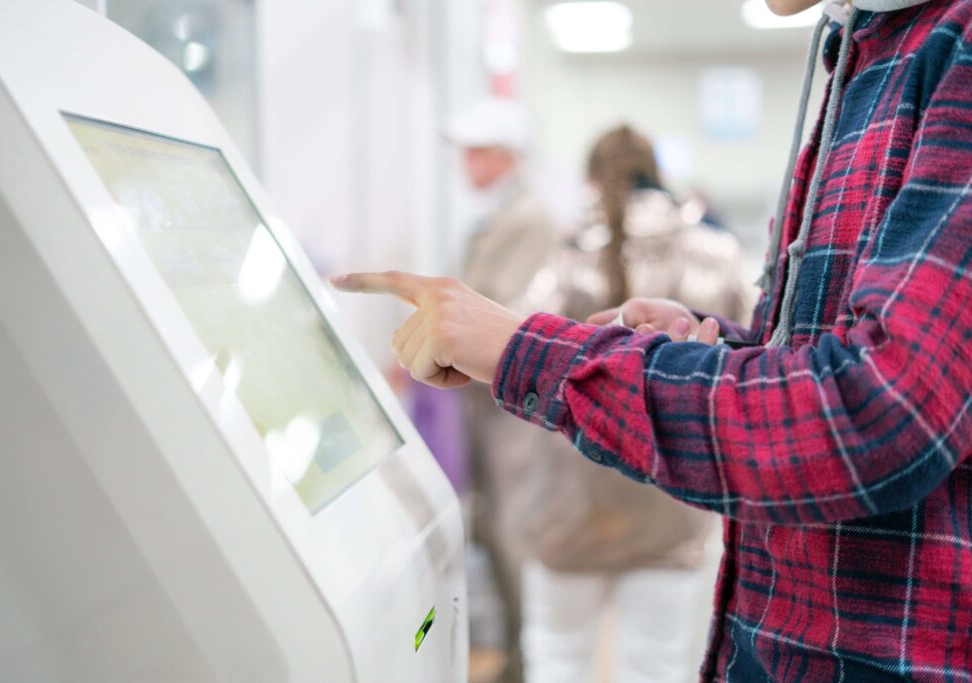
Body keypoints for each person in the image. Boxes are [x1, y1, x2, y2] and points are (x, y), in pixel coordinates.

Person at [334, 0, 972, 679]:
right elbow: (820, 360)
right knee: (649, 662)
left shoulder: (949, 52)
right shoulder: (868, 54)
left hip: (850, 635)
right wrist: (713, 351)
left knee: (561, 655)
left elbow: (876, 408)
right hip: (730, 568)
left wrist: (526, 346)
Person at [515, 124, 753, 683]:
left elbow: (515, 344)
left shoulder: (566, 255)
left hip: (568, 502)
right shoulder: (715, 252)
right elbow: (760, 345)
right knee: (658, 667)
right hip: (673, 489)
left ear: (593, 180)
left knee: (557, 659)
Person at [446, 96, 561, 683]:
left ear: (504, 156)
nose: (467, 164)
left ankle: (527, 663)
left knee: (514, 529)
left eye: (476, 153)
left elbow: (503, 310)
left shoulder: (530, 220)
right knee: (493, 525)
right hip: (487, 402)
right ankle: (517, 658)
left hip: (511, 403)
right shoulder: (500, 216)